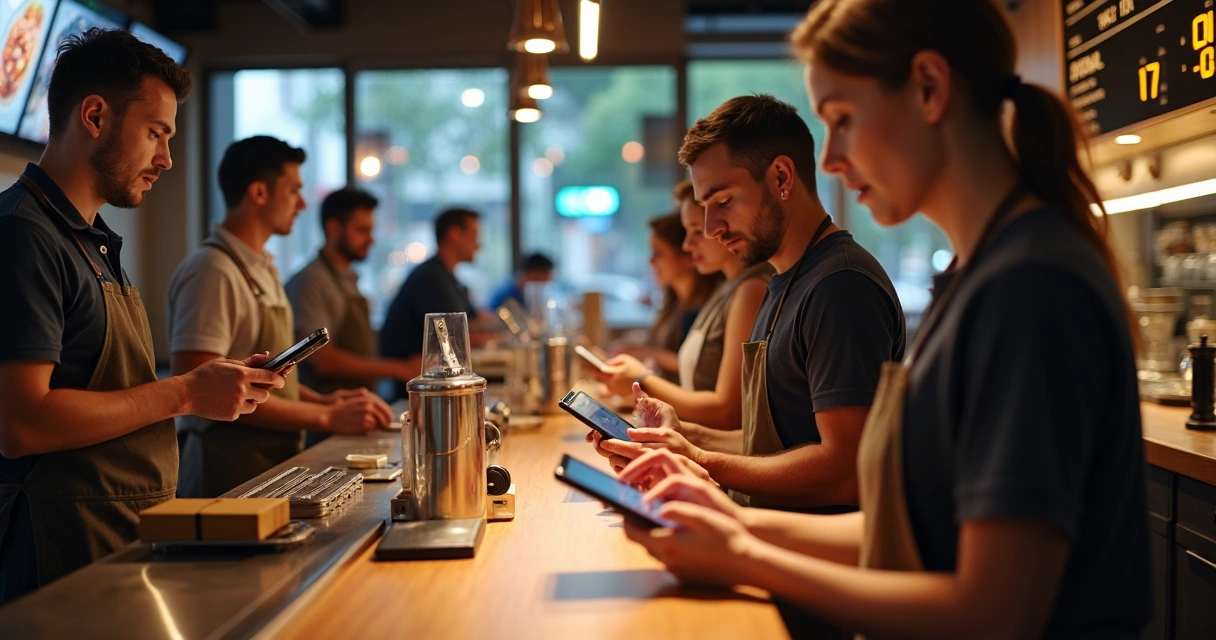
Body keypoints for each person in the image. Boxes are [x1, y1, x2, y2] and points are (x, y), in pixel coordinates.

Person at [618, 1, 1152, 637]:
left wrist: (744, 554)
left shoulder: (1030, 286)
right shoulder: (980, 275)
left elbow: (995, 612)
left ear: (929, 88)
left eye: (842, 120)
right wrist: (726, 518)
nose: (834, 158)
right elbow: (918, 530)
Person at [0, 29, 283, 604]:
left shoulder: (91, 238)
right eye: (156, 133)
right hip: (55, 557)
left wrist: (207, 388)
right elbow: (22, 422)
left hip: (115, 541)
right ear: (96, 117)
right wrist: (183, 394)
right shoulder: (24, 235)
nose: (167, 159)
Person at [594, 95, 905, 514]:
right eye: (705, 208)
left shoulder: (839, 286)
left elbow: (843, 469)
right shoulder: (783, 280)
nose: (711, 228)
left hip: (804, 556)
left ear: (781, 177)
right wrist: (680, 437)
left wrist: (701, 461)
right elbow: (769, 444)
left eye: (723, 202)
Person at [168, 136, 392, 498]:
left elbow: (262, 378)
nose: (302, 204)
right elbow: (201, 389)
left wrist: (323, 402)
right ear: (259, 193)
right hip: (227, 475)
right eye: (294, 191)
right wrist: (324, 418)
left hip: (266, 467)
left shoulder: (262, 268)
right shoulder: (213, 270)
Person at [593, 180, 771, 430]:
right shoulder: (727, 291)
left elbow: (728, 412)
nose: (687, 246)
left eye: (697, 231)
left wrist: (641, 380)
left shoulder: (749, 290)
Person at [285, 188, 419, 446]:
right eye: (362, 230)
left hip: (356, 421)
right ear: (333, 228)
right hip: (325, 429)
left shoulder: (348, 279)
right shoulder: (311, 281)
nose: (371, 239)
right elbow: (322, 359)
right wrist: (399, 368)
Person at [380, 207, 490, 401]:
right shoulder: (430, 279)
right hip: (419, 393)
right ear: (454, 235)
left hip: (435, 386)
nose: (479, 245)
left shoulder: (446, 276)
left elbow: (472, 321)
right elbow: (453, 341)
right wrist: (495, 339)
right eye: (474, 236)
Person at [614, 213, 722, 382]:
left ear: (687, 256)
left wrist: (646, 353)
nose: (650, 261)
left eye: (658, 253)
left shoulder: (708, 308)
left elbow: (698, 367)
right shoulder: (673, 303)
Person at [487, 252, 555, 311]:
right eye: (547, 274)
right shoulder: (506, 293)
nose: (549, 279)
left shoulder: (522, 290)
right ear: (534, 273)